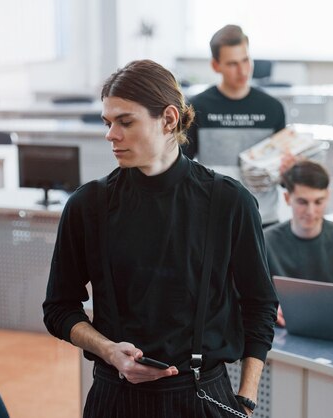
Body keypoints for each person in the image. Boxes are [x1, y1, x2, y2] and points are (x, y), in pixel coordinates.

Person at [43, 60, 278, 417]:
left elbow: (259, 306)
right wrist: (108, 350)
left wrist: (245, 399)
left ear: (169, 119)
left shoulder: (230, 202)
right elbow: (59, 308)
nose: (110, 134)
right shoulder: (87, 205)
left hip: (203, 394)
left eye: (125, 121)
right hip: (115, 395)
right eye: (108, 123)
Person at [184, 24, 286, 227]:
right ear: (216, 65)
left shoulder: (273, 108)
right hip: (214, 217)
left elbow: (282, 174)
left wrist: (289, 169)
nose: (243, 70)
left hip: (263, 219)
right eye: (232, 64)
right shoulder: (197, 107)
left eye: (246, 60)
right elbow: (182, 165)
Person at [264, 161, 333, 325]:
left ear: (328, 196)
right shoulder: (266, 242)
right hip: (281, 332)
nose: (311, 211)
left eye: (318, 202)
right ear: (288, 198)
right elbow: (250, 299)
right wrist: (271, 311)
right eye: (302, 202)